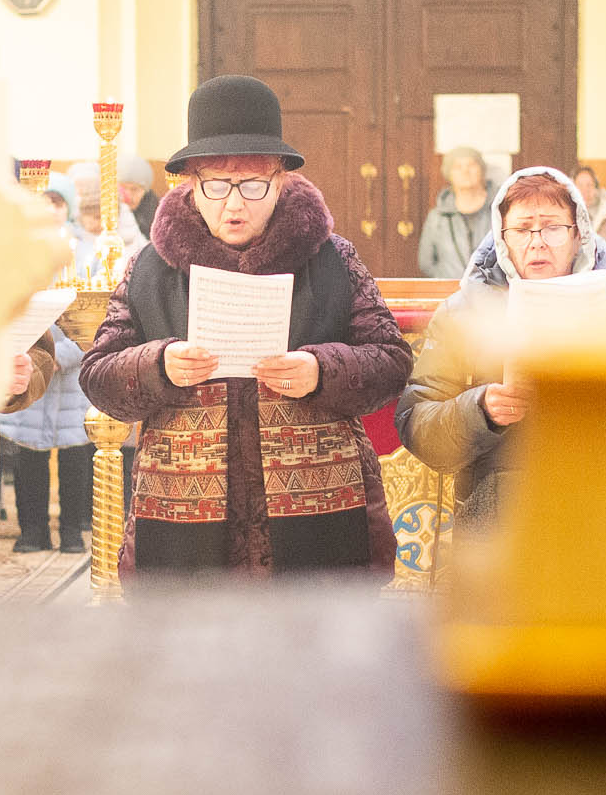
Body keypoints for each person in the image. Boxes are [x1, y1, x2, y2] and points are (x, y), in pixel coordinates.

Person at [80, 75, 414, 578]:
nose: (234, 204)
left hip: (319, 509)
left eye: (254, 185)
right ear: (190, 183)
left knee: (320, 627)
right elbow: (98, 375)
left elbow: (391, 360)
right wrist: (158, 365)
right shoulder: (151, 267)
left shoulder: (332, 258)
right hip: (182, 516)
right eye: (216, 184)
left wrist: (321, 370)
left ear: (281, 181)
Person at [396, 167, 606, 522]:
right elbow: (417, 424)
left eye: (552, 227)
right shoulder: (462, 314)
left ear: (578, 233)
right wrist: (481, 410)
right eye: (521, 229)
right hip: (497, 514)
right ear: (502, 238)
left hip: (604, 505)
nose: (537, 242)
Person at [0, 326, 91, 553]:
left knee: (74, 461)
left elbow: (92, 332)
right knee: (29, 458)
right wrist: (40, 359)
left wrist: (58, 356)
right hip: (33, 376)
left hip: (71, 385)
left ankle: (71, 531)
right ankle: (33, 531)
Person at [417, 146, 495, 279]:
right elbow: (426, 262)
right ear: (449, 174)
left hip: (491, 289)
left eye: (471, 165)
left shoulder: (499, 210)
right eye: (457, 167)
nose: (465, 171)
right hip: (450, 290)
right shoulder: (437, 217)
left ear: (482, 170)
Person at [573, 163, 606, 236]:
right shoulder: (567, 216)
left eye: (589, 185)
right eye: (580, 185)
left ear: (596, 189)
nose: (585, 190)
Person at [119, 155, 160, 242]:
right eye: (123, 188)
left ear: (145, 191)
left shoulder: (156, 214)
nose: (128, 195)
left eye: (134, 189)